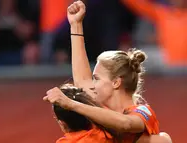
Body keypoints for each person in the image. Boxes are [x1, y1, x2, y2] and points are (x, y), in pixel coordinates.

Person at [44, 1, 172, 143]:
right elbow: (82, 79)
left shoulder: (142, 112)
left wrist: (72, 104)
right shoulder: (98, 109)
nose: (91, 85)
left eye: (97, 79)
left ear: (116, 82)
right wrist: (76, 25)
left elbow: (126, 124)